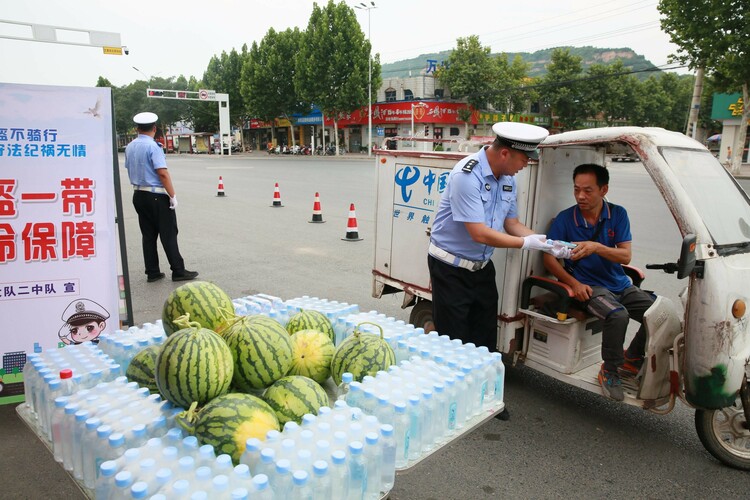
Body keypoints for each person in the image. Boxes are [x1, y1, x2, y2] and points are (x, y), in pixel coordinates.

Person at [428, 122, 569, 350]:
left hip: (482, 269)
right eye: (524, 159)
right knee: (454, 343)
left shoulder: (507, 180)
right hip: (450, 270)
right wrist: (526, 243)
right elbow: (479, 233)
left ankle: (481, 383)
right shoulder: (466, 176)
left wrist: (547, 243)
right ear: (505, 153)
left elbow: (511, 223)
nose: (525, 165)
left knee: (484, 341)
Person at [543, 163, 655, 402]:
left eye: (588, 190)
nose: (580, 196)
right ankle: (610, 370)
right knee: (618, 315)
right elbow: (548, 257)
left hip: (620, 284)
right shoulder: (565, 220)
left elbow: (625, 256)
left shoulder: (618, 214)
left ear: (604, 189)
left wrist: (596, 247)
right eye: (576, 190)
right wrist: (573, 283)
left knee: (658, 315)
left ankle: (632, 358)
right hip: (589, 288)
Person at [125, 112, 199, 283]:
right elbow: (162, 173)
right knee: (168, 233)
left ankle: (152, 272)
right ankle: (178, 270)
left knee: (148, 234)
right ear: (155, 128)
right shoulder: (153, 147)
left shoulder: (130, 147)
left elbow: (129, 168)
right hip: (156, 196)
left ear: (137, 129)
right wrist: (172, 196)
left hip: (138, 194)